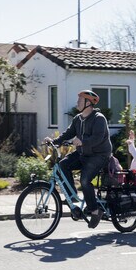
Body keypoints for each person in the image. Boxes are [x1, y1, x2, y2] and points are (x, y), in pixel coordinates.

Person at [44, 90, 112, 229]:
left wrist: (83, 141)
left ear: (88, 103)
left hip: (99, 155)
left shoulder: (99, 118)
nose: (77, 103)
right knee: (63, 165)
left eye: (80, 100)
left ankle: (95, 211)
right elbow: (68, 133)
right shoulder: (78, 119)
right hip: (83, 153)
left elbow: (98, 138)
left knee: (85, 180)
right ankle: (72, 198)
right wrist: (54, 141)